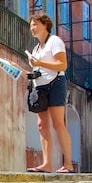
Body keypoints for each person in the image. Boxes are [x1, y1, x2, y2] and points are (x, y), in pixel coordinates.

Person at [26, 12, 73, 173]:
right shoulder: (36, 48)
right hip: (40, 86)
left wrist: (39, 62)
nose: (32, 27)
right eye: (31, 25)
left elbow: (62, 65)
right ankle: (47, 164)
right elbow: (39, 69)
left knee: (58, 123)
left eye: (35, 24)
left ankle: (68, 164)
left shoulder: (54, 41)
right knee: (42, 125)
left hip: (56, 83)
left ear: (45, 25)